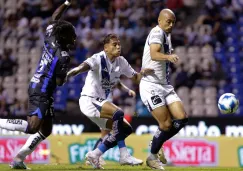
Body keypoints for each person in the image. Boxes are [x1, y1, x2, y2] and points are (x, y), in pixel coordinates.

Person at [0, 0, 76, 169]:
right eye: (72, 35)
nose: (74, 37)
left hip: (40, 85)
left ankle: (19, 159)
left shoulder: (50, 33)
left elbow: (55, 15)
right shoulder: (64, 56)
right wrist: (66, 74)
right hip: (42, 89)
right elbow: (60, 82)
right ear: (64, 37)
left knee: (46, 130)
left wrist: (66, 2)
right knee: (32, 127)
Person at [66, 33, 154, 169]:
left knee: (126, 129)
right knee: (118, 113)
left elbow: (135, 79)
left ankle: (95, 154)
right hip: (89, 100)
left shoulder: (121, 61)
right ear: (106, 48)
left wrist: (142, 73)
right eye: (115, 45)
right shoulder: (98, 58)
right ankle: (124, 155)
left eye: (119, 44)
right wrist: (73, 72)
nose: (118, 47)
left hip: (101, 102)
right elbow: (83, 66)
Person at [139, 9, 188, 170]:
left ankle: (156, 141)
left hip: (164, 85)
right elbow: (154, 54)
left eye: (173, 22)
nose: (171, 25)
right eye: (168, 21)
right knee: (166, 124)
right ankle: (152, 157)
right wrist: (168, 57)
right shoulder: (157, 32)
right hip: (151, 85)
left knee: (181, 118)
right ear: (160, 20)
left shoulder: (166, 35)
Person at [85, 81, 136, 166]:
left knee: (107, 132)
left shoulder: (111, 73)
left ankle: (94, 155)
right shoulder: (103, 73)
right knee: (106, 132)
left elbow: (118, 83)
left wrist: (127, 90)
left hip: (107, 105)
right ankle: (95, 156)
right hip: (102, 105)